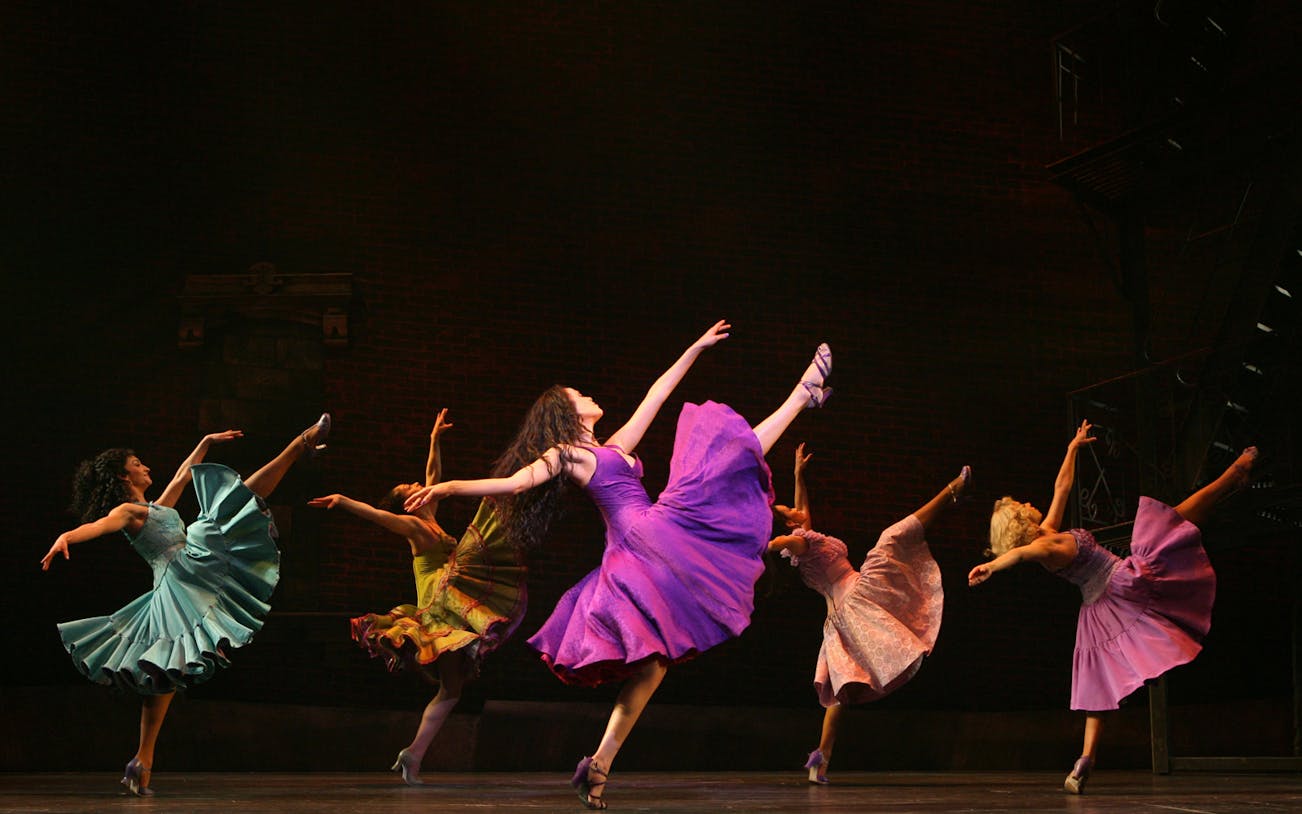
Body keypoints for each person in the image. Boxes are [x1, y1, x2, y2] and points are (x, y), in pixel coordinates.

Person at [404, 320, 831, 810]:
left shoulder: (611, 448)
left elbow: (657, 392)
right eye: (579, 393)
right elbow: (517, 483)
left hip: (653, 536)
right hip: (643, 544)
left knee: (653, 666)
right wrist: (447, 487)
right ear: (568, 412)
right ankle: (803, 395)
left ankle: (599, 766)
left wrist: (693, 347)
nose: (589, 394)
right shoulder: (568, 454)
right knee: (724, 455)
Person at [40, 414, 331, 796]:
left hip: (189, 571)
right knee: (228, 506)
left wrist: (206, 442)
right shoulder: (129, 512)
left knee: (163, 675)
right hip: (180, 577)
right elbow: (100, 525)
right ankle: (300, 443)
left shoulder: (156, 507)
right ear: (125, 478)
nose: (145, 467)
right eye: (136, 464)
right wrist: (67, 536)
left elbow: (182, 476)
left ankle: (142, 758)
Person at [969, 419, 1256, 794]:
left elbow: (1062, 486)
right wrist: (991, 566)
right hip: (1119, 583)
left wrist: (1072, 448)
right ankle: (1233, 474)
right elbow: (1020, 554)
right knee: (1171, 522)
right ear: (1021, 522)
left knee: (1097, 686)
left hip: (1096, 608)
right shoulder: (1042, 547)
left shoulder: (1050, 532)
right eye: (1022, 505)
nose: (1028, 502)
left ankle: (1084, 760)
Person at [307, 409, 526, 786]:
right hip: (437, 609)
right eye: (410, 488)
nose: (417, 485)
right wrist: (343, 500)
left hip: (448, 605)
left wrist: (434, 439)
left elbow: (433, 476)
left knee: (452, 689)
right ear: (408, 502)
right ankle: (413, 755)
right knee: (451, 688)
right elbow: (380, 517)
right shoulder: (414, 526)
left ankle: (413, 754)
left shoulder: (432, 517)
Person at [768, 444, 966, 784]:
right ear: (789, 523)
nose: (797, 509)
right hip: (854, 596)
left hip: (837, 618)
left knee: (838, 691)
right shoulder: (800, 543)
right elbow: (782, 543)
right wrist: (769, 542)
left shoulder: (807, 540)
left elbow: (802, 511)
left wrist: (799, 474)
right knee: (891, 539)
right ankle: (950, 492)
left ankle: (821, 758)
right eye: (790, 511)